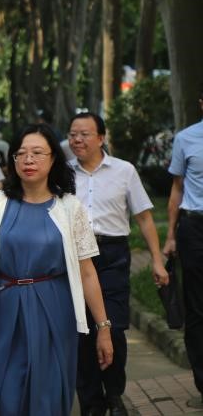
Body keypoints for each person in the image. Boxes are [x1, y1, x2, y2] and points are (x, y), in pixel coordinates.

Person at [0, 124, 114, 416]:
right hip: (4, 308)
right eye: (21, 153)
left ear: (53, 158)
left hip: (54, 307)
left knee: (48, 394)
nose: (28, 160)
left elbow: (87, 272)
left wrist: (103, 328)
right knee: (7, 394)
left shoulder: (69, 207)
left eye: (37, 153)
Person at [68, 112, 169, 416]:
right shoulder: (62, 173)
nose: (77, 140)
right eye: (73, 134)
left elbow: (144, 218)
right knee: (82, 331)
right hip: (74, 256)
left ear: (101, 138)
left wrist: (157, 260)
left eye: (84, 134)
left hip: (112, 255)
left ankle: (114, 393)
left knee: (112, 328)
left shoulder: (124, 171)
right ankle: (91, 403)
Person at [164, 85, 203, 410]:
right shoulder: (185, 138)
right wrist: (171, 236)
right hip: (194, 228)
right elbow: (176, 189)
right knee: (197, 306)